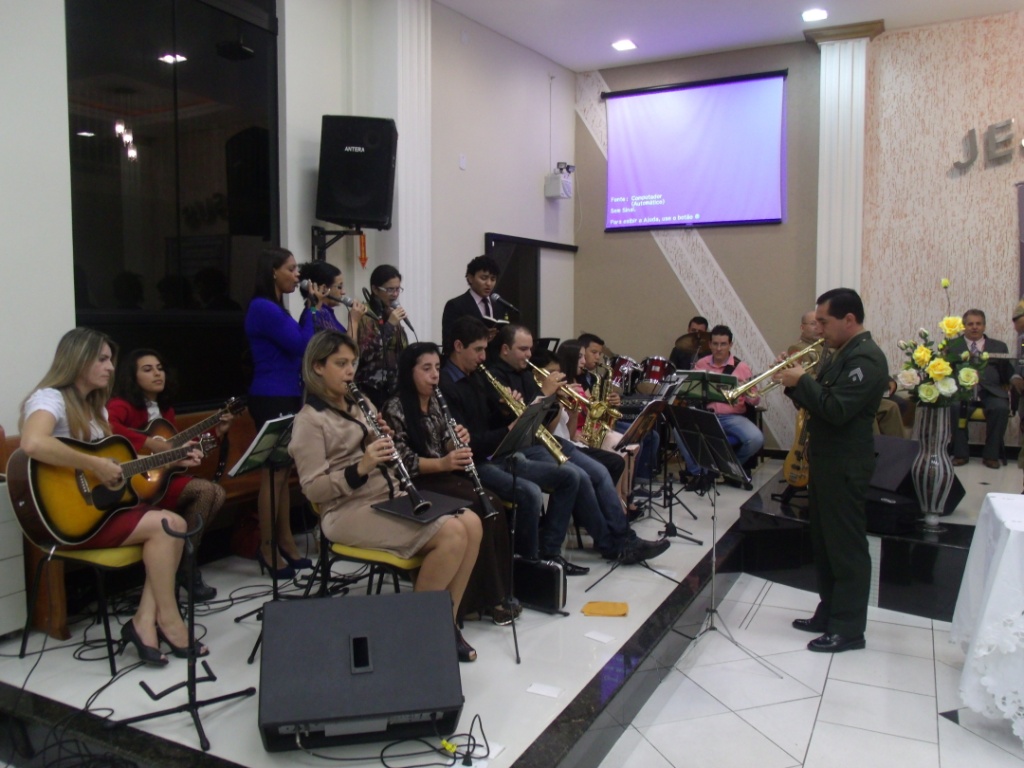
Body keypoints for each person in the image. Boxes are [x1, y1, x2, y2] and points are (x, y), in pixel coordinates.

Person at [289, 331, 482, 661]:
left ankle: (445, 624)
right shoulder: (309, 421)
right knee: (451, 533)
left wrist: (383, 439)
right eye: (340, 364)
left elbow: (384, 452)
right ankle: (413, 633)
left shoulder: (361, 403)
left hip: (388, 494)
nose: (350, 371)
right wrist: (361, 466)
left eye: (353, 363)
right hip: (346, 510)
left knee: (473, 523)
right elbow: (313, 489)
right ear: (318, 367)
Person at [18, 328, 207, 665]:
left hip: (100, 511)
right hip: (69, 520)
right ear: (78, 360)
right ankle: (168, 621)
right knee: (169, 526)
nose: (110, 367)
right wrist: (93, 464)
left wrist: (173, 459)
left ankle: (145, 621)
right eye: (102, 359)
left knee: (174, 525)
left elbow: (117, 466)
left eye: (110, 360)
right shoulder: (50, 398)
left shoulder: (97, 410)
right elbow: (33, 443)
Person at [490, 324, 669, 565]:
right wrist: (545, 393)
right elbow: (519, 425)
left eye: (530, 349)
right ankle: (613, 546)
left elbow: (544, 420)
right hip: (523, 447)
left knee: (600, 471)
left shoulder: (523, 373)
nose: (529, 355)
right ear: (505, 349)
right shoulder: (496, 376)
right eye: (523, 349)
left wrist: (556, 400)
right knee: (580, 477)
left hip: (545, 440)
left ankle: (625, 539)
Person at [777, 288, 887, 653]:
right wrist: (793, 382)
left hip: (846, 462)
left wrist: (802, 381)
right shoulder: (841, 353)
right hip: (826, 458)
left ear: (849, 320)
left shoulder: (866, 358)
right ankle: (829, 611)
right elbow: (819, 403)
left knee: (846, 546)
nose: (819, 329)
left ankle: (849, 628)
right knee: (824, 542)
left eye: (824, 322)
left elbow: (837, 409)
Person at [381, 342, 516, 625]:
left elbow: (444, 442)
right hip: (415, 484)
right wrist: (444, 462)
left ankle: (496, 593)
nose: (434, 375)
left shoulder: (435, 401)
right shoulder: (395, 407)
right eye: (426, 369)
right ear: (409, 372)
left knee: (492, 504)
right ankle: (472, 601)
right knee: (478, 507)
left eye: (437, 368)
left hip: (442, 476)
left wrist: (457, 440)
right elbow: (401, 460)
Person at [439, 316, 584, 572]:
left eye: (485, 349)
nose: (484, 357)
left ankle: (549, 552)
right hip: (475, 463)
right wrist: (508, 428)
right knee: (529, 492)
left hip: (500, 454)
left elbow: (490, 421)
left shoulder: (476, 376)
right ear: (458, 346)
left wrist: (507, 410)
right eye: (478, 350)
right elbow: (469, 441)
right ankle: (526, 566)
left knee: (570, 477)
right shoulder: (447, 386)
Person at [107, 348, 235, 602]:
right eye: (147, 369)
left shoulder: (166, 411)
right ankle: (185, 567)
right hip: (133, 484)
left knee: (215, 493)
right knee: (206, 491)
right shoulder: (121, 405)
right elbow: (109, 427)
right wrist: (152, 444)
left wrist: (217, 433)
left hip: (160, 479)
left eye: (160, 368)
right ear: (132, 377)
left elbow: (173, 449)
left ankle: (183, 562)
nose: (157, 374)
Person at [244, 247, 324, 578]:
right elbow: (303, 345)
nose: (297, 275)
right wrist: (312, 309)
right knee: (273, 475)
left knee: (283, 475)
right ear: (273, 271)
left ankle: (286, 542)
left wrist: (309, 311)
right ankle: (267, 547)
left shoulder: (277, 308)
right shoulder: (263, 307)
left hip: (287, 394)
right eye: (291, 269)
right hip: (271, 396)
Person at [690, 325, 764, 481]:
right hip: (707, 415)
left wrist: (747, 391)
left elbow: (755, 400)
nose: (719, 348)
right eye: (715, 344)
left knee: (756, 438)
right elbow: (692, 392)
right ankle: (700, 474)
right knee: (679, 430)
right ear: (709, 344)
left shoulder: (741, 367)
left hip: (732, 417)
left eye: (723, 344)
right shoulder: (701, 364)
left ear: (730, 345)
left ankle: (730, 469)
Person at [947, 309, 1010, 468]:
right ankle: (960, 454)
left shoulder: (999, 346)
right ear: (964, 326)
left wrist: (1014, 379)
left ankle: (991, 456)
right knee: (956, 407)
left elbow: (1006, 372)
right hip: (963, 392)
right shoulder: (952, 346)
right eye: (970, 324)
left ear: (984, 326)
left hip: (991, 392)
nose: (974, 327)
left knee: (1001, 408)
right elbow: (946, 371)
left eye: (978, 324)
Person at [355, 264, 409, 409]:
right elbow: (366, 353)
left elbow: (402, 348)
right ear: (375, 289)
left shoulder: (391, 312)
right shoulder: (365, 314)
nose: (395, 294)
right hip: (371, 387)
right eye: (390, 289)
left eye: (398, 289)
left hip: (394, 387)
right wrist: (390, 325)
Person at [440, 255, 508, 354]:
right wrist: (481, 337)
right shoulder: (455, 305)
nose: (489, 283)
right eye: (484, 278)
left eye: (493, 279)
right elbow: (449, 342)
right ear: (470, 278)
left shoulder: (499, 305)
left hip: (494, 361)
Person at [297, 260, 366, 339]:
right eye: (339, 287)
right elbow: (346, 346)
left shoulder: (324, 311)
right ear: (324, 288)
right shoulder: (317, 313)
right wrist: (353, 321)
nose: (343, 292)